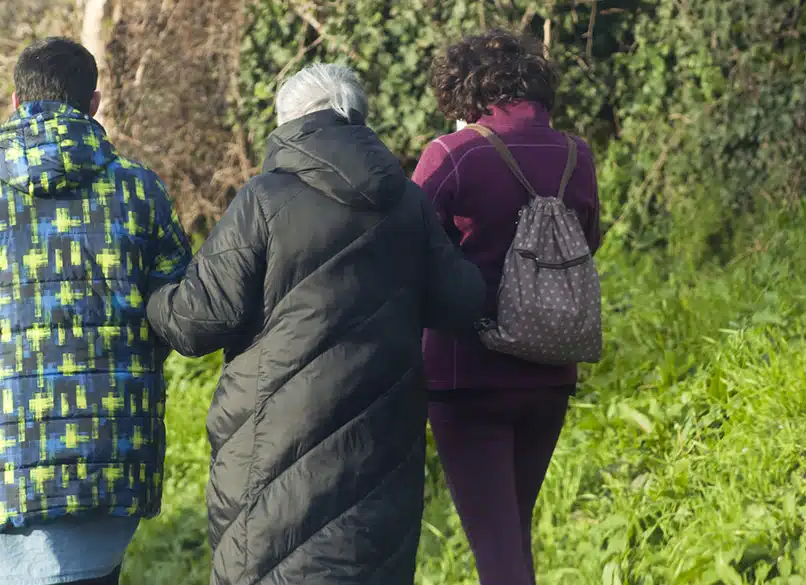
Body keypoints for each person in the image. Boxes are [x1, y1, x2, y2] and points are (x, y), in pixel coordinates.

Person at [145, 63, 486, 585]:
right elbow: (461, 303)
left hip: (273, 454)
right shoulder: (410, 205)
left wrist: (151, 297)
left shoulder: (263, 201)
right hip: (378, 453)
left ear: (289, 127)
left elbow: (198, 321)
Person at [0, 37, 192, 585]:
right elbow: (178, 309)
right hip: (112, 455)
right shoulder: (140, 191)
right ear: (94, 104)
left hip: (7, 461)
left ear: (15, 101)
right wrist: (130, 363)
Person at [412, 29, 603, 585]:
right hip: (550, 368)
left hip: (465, 373)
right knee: (512, 534)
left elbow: (408, 247)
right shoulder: (576, 153)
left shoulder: (452, 153)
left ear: (462, 92)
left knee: (496, 553)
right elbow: (588, 242)